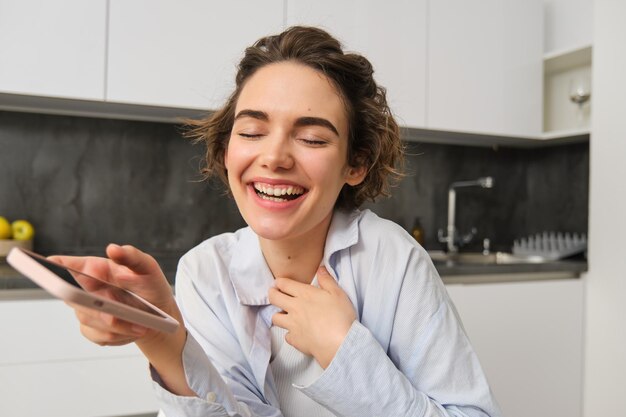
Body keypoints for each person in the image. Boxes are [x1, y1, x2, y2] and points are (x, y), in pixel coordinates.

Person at [55, 26, 501, 417]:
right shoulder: (205, 271)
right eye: (251, 132)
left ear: (356, 164)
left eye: (311, 137)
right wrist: (161, 338)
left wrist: (344, 350)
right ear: (227, 149)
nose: (273, 157)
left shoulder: (394, 261)